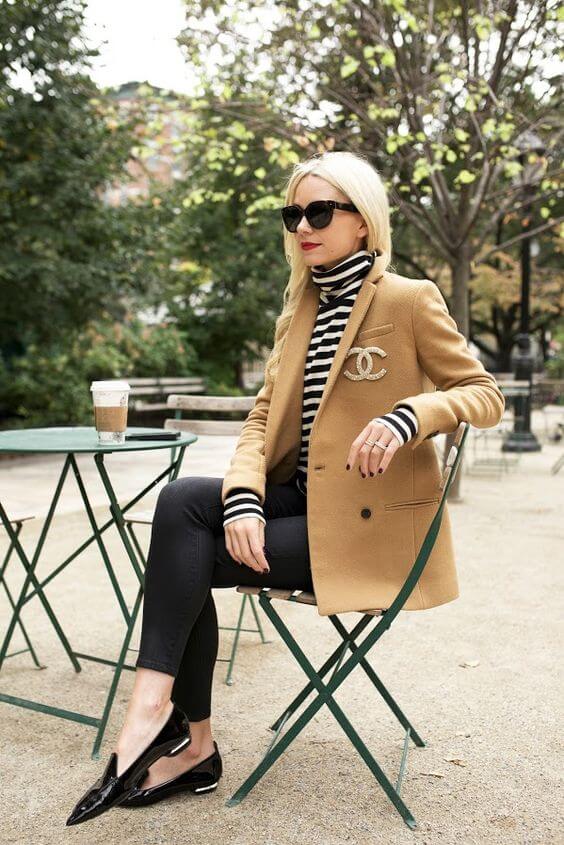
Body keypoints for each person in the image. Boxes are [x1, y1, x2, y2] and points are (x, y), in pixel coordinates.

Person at [66, 150, 505, 825]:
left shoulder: (408, 300)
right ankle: (157, 714)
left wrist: (410, 414)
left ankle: (186, 740)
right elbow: (263, 418)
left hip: (368, 526)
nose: (303, 226)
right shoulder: (301, 307)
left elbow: (482, 394)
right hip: (301, 501)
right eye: (293, 213)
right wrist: (243, 496)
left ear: (363, 221)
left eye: (320, 211)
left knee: (184, 559)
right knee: (182, 504)